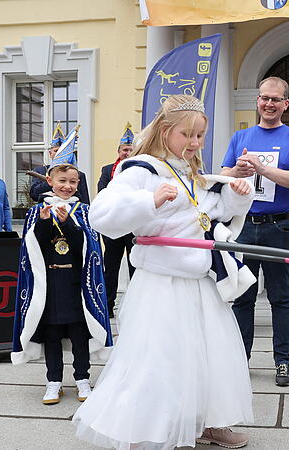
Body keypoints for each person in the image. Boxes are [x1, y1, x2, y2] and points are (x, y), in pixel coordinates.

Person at [73, 95, 255, 449]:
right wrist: (148, 201)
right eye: (188, 134)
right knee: (160, 359)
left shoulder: (191, 172)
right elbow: (101, 215)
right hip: (161, 283)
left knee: (209, 356)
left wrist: (235, 194)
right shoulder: (140, 168)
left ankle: (205, 422)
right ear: (166, 130)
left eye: (200, 136)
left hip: (199, 281)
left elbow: (210, 212)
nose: (195, 143)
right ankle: (150, 428)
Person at [220, 76, 289, 387]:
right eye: (264, 98)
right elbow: (222, 175)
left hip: (279, 226)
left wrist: (263, 168)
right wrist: (236, 173)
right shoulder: (241, 136)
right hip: (244, 226)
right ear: (257, 100)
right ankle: (240, 358)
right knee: (243, 297)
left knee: (281, 298)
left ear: (285, 103)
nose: (268, 104)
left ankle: (283, 361)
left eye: (275, 99)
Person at [11, 161, 112, 405]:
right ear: (50, 182)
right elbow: (32, 248)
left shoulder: (84, 211)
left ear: (79, 184)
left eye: (73, 182)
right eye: (62, 181)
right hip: (49, 286)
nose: (67, 186)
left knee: (79, 335)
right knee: (52, 335)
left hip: (76, 285)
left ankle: (82, 379)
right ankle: (53, 381)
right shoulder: (37, 211)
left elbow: (89, 247)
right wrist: (45, 224)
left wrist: (68, 223)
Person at [97, 125, 136, 318]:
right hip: (113, 227)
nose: (127, 153)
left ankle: (135, 305)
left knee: (135, 266)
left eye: (130, 150)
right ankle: (108, 305)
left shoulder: (140, 171)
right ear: (118, 152)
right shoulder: (107, 170)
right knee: (110, 267)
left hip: (134, 228)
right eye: (124, 150)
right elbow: (102, 194)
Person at [30, 135, 90, 203]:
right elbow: (34, 194)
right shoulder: (40, 171)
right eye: (56, 151)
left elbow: (85, 200)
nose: (59, 154)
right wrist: (53, 181)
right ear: (50, 153)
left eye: (63, 151)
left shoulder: (79, 174)